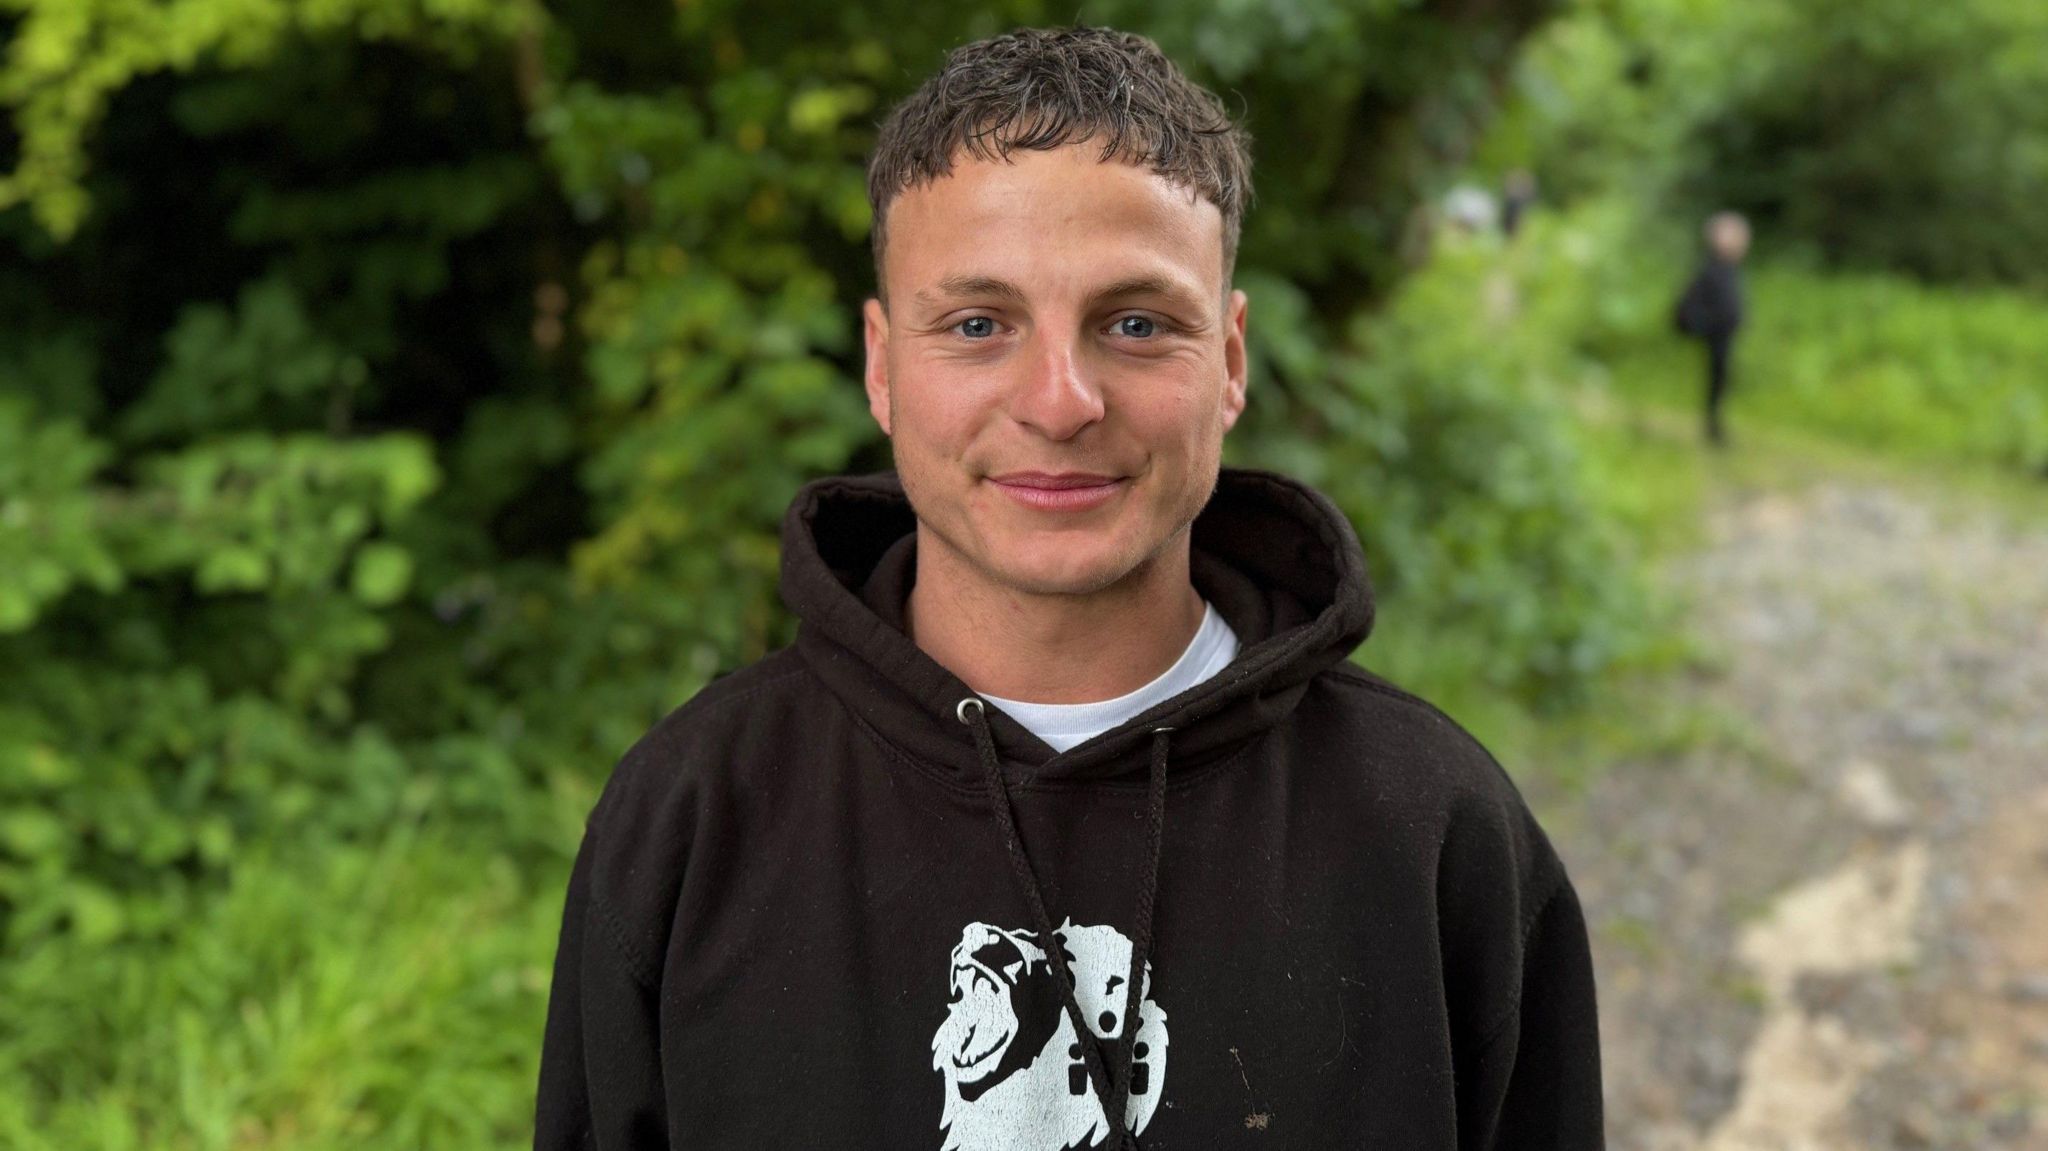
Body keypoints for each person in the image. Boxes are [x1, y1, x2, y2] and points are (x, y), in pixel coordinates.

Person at [534, 25, 1602, 1151]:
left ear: (1229, 360)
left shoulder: (1432, 831)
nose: (1059, 401)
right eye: (978, 324)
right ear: (882, 362)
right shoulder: (691, 820)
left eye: (1136, 323)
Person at [1674, 211, 1751, 447]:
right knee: (1718, 378)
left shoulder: (1727, 269)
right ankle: (1713, 426)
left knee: (1721, 379)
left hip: (1723, 332)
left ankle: (1715, 425)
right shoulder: (1712, 269)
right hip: (1715, 332)